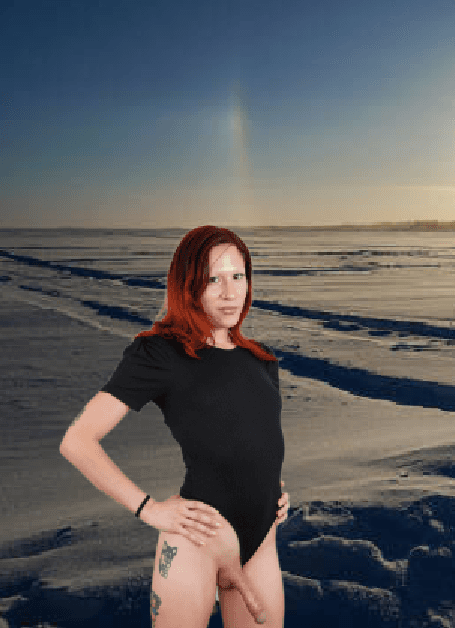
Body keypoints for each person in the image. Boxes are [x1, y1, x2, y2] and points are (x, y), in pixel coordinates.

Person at [60, 226, 291, 627]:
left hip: (261, 541)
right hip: (196, 540)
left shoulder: (261, 360)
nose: (229, 291)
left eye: (238, 276)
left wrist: (277, 489)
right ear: (188, 285)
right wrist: (149, 509)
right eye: (212, 279)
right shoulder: (161, 353)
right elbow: (78, 441)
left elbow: (251, 440)